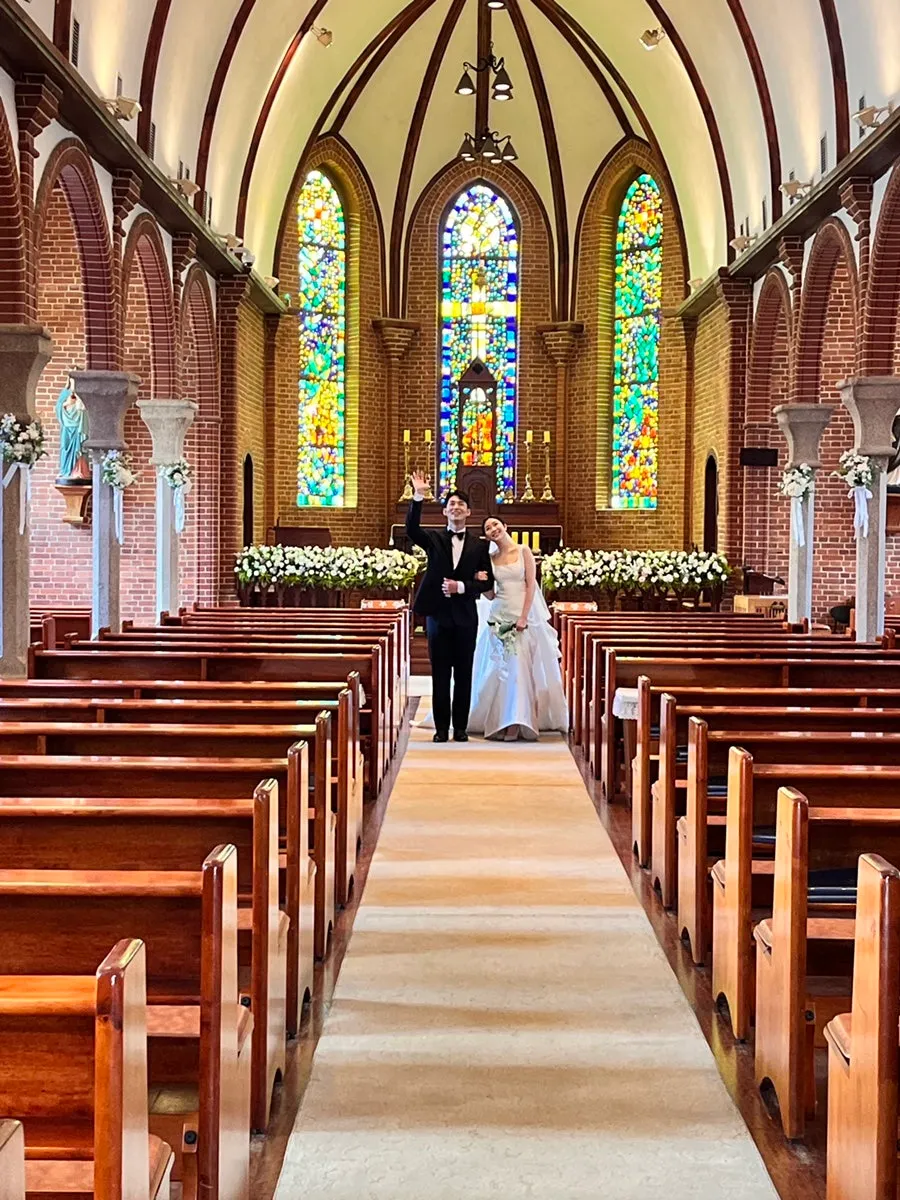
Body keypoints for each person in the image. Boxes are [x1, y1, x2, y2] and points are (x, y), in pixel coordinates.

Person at [406, 469, 494, 743]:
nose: (456, 508)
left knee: (464, 674)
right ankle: (441, 728)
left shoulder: (480, 546)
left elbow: (488, 582)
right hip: (439, 616)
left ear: (468, 512)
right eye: (451, 504)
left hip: (466, 617)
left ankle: (461, 728)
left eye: (461, 504)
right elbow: (411, 530)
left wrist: (463, 586)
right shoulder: (434, 539)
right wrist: (418, 496)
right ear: (445, 512)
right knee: (441, 674)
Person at [468, 515, 568, 741]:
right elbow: (490, 594)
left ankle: (515, 721)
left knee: (519, 670)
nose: (493, 529)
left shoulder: (524, 551)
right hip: (499, 614)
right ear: (487, 536)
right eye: (488, 528)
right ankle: (499, 720)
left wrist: (523, 616)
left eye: (495, 524)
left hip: (521, 615)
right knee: (498, 671)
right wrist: (478, 579)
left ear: (505, 526)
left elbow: (531, 585)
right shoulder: (490, 559)